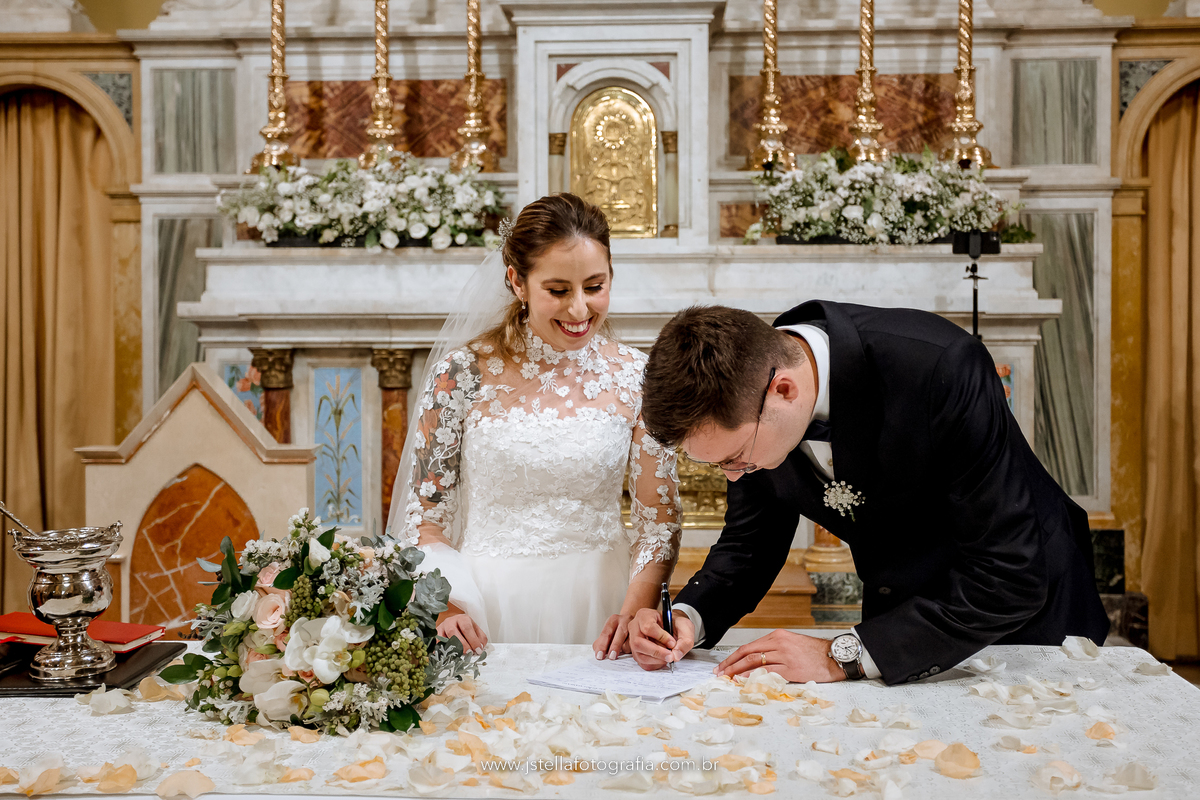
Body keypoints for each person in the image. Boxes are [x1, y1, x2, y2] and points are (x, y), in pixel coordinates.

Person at [628, 300, 1110, 685]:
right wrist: (690, 618)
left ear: (785, 390)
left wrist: (841, 656)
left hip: (1027, 611)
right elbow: (750, 544)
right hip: (904, 623)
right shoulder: (745, 389)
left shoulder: (941, 366)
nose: (735, 476)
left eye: (735, 458)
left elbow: (1009, 574)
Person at [386, 193, 682, 655]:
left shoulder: (637, 377)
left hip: (603, 604)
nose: (580, 309)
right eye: (559, 290)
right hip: (484, 604)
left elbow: (658, 522)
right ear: (517, 282)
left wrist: (632, 613)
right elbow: (426, 519)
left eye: (595, 286)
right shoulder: (460, 375)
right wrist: (445, 607)